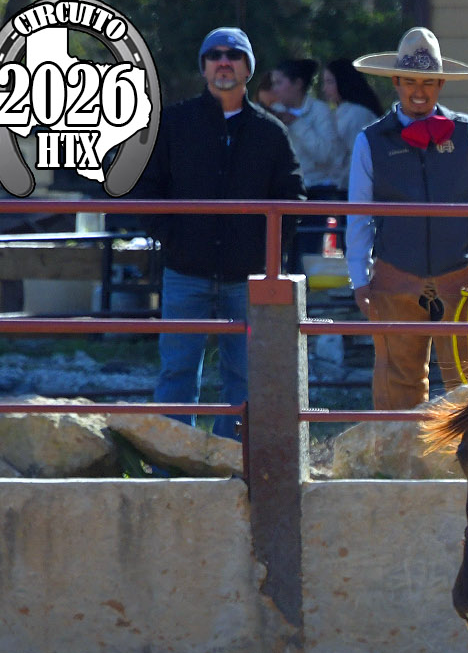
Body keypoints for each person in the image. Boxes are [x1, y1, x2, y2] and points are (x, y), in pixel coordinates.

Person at [133, 26, 303, 438]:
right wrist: (173, 236)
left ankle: (233, 462)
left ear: (248, 69)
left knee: (244, 376)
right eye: (214, 55)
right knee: (177, 372)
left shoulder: (270, 133)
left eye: (233, 55)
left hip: (247, 277)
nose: (223, 62)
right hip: (185, 271)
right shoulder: (173, 123)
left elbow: (293, 198)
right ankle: (173, 464)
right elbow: (144, 188)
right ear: (204, 67)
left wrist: (264, 249)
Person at [346, 27, 468, 409]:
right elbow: (359, 214)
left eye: (428, 82)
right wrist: (359, 277)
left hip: (459, 275)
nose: (418, 91)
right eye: (410, 81)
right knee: (397, 384)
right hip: (394, 275)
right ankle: (400, 450)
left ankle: (467, 450)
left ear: (441, 84)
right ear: (396, 82)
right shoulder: (370, 140)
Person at [266, 58, 345, 198]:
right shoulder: (274, 111)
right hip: (285, 190)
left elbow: (327, 155)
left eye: (279, 83)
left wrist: (296, 123)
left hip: (319, 190)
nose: (274, 89)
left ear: (298, 83)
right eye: (273, 84)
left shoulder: (320, 111)